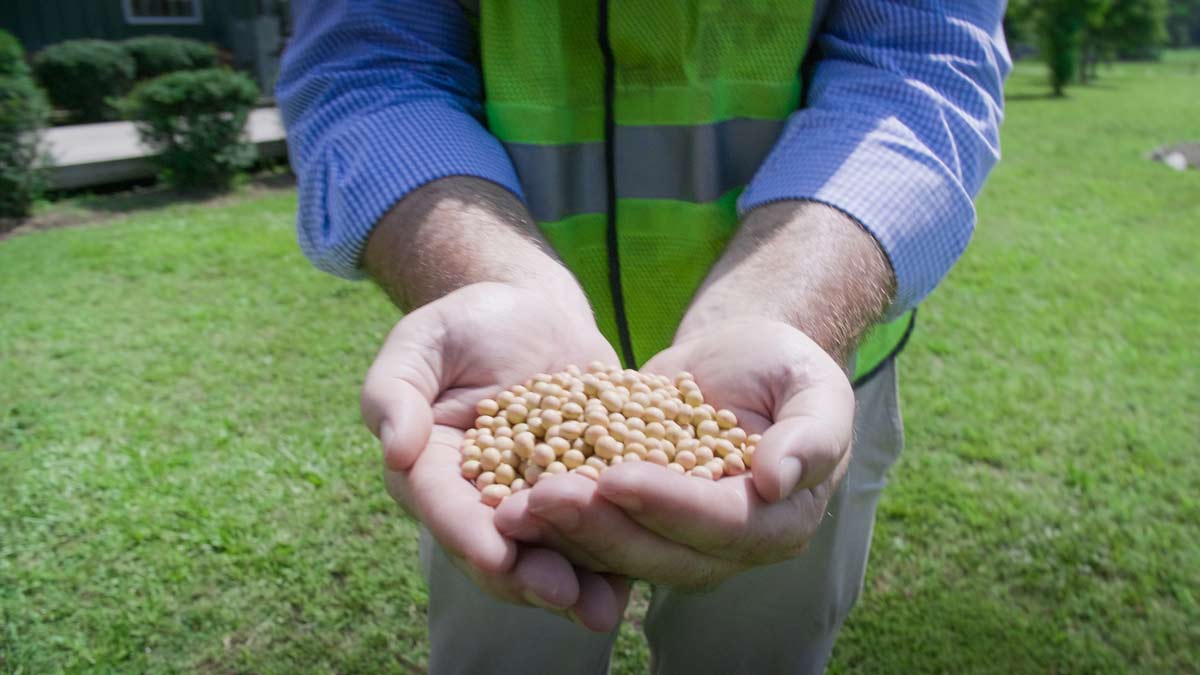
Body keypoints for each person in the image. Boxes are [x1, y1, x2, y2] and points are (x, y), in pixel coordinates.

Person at [277, 1, 1009, 672]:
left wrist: (790, 312)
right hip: (491, 383)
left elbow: (918, 68)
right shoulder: (513, 443)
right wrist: (484, 276)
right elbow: (368, 66)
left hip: (793, 377)